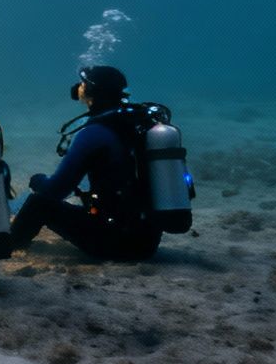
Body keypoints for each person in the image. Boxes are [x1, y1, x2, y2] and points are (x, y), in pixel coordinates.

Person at [9, 64, 163, 261]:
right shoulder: (132, 122)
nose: (79, 86)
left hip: (120, 243)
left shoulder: (94, 133)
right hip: (147, 240)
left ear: (91, 90)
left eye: (83, 83)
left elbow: (56, 190)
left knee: (38, 204)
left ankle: (8, 245)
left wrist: (37, 181)